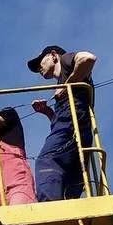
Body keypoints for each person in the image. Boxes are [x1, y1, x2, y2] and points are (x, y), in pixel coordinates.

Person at [26, 44, 98, 201]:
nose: (39, 68)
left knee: (47, 160)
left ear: (53, 55)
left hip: (72, 130)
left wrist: (66, 86)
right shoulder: (60, 83)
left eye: (40, 62)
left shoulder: (65, 61)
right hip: (76, 133)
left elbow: (88, 58)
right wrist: (47, 111)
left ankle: (49, 208)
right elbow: (61, 119)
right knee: (70, 186)